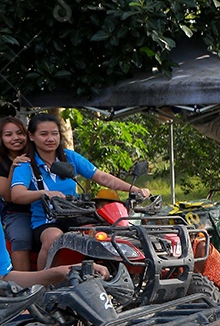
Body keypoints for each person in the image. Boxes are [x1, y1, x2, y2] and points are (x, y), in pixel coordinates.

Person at [10, 113, 151, 271]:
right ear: (31, 136)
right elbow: (17, 194)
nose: (50, 138)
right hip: (47, 222)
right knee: (53, 239)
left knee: (117, 234)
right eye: (44, 134)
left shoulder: (70, 157)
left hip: (76, 218)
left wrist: (135, 189)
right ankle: (43, 283)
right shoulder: (26, 163)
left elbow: (101, 177)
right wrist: (44, 193)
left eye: (54, 133)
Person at [0, 117, 33, 271]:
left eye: (20, 133)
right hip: (15, 211)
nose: (15, 138)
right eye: (8, 134)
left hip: (45, 209)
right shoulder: (1, 162)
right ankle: (23, 287)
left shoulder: (38, 154)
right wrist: (13, 169)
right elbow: (7, 196)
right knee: (21, 239)